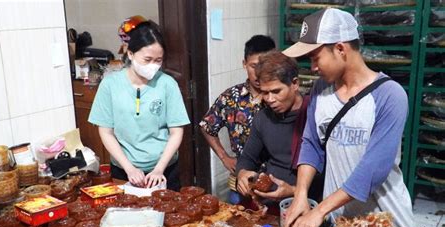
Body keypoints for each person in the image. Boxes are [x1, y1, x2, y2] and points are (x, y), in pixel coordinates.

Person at [280, 8, 415, 227]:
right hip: (340, 224)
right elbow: (311, 143)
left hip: (385, 224)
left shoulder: (390, 95)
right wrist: (301, 194)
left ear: (340, 48)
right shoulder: (320, 90)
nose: (313, 67)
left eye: (316, 58)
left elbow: (372, 170)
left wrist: (320, 209)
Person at [88, 16, 190, 191]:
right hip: (123, 169)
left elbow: (176, 131)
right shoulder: (110, 85)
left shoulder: (167, 84)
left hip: (164, 169)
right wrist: (129, 168)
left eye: (158, 61)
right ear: (130, 53)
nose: (153, 66)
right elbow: (106, 131)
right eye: (147, 59)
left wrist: (159, 169)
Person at [235, 50, 323, 212]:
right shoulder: (263, 118)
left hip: (312, 202)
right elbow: (247, 158)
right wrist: (243, 173)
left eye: (276, 91)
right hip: (270, 204)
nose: (269, 99)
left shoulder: (317, 114)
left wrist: (293, 191)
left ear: (295, 83)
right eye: (264, 92)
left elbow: (328, 172)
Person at [199, 35, 275, 204]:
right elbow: (206, 126)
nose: (258, 73)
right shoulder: (230, 97)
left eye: (264, 66)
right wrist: (224, 157)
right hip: (241, 186)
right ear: (244, 64)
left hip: (277, 187)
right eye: (253, 66)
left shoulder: (279, 97)